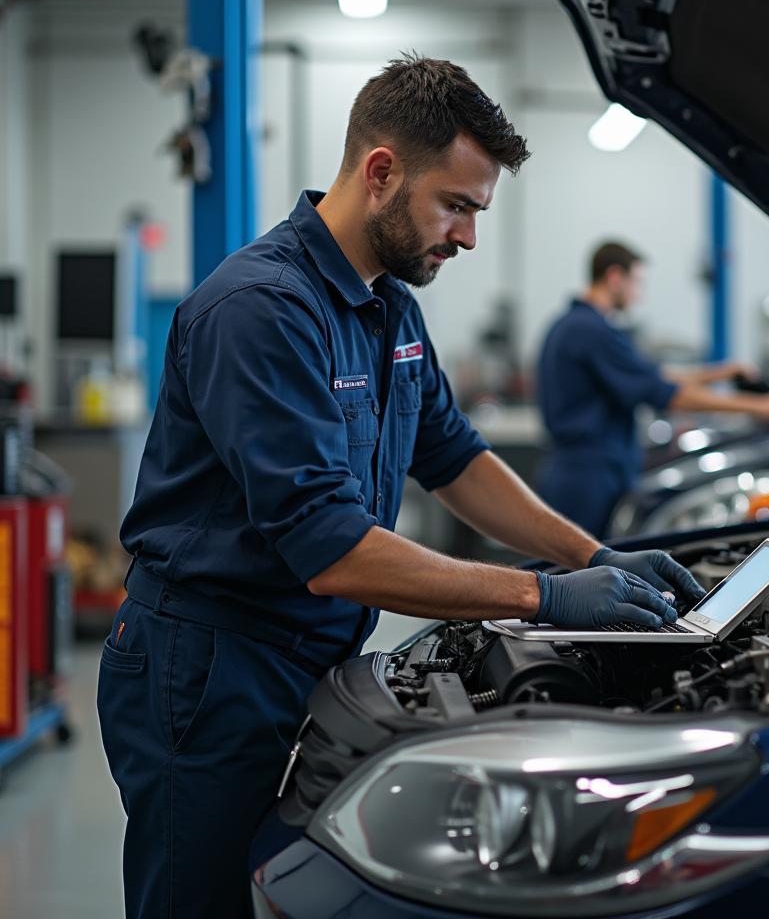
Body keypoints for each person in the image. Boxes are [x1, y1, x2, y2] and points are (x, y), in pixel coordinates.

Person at [97, 56, 706, 919]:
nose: (466, 236)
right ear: (381, 173)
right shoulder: (259, 310)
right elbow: (329, 547)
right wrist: (544, 595)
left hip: (311, 655)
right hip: (209, 666)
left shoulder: (390, 307)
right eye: (454, 205)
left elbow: (452, 456)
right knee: (198, 902)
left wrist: (593, 553)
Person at [536, 241, 769, 537]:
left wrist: (721, 372)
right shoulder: (592, 331)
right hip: (589, 478)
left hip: (584, 473)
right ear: (614, 277)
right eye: (637, 282)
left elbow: (653, 377)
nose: (639, 294)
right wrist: (763, 407)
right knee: (580, 575)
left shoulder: (572, 325)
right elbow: (666, 394)